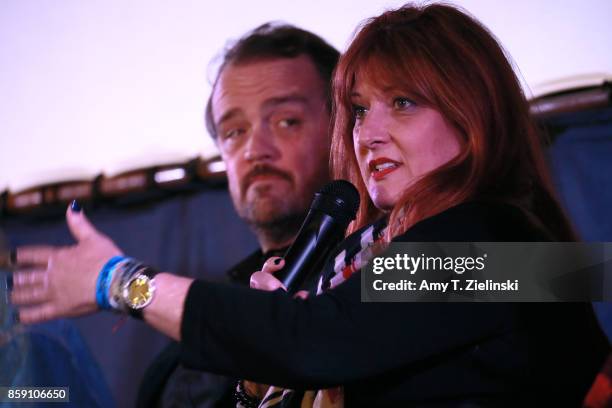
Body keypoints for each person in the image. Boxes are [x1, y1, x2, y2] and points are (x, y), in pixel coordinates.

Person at [10, 3, 610, 406]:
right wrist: (256, 378)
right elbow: (307, 342)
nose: (368, 134)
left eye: (401, 102)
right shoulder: (360, 256)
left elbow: (312, 341)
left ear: (473, 112)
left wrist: (122, 283)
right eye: (357, 110)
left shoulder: (513, 247)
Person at [137, 23, 339, 406]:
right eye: (234, 132)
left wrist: (119, 284)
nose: (254, 150)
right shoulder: (185, 347)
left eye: (286, 121)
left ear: (344, 127)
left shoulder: (387, 264)